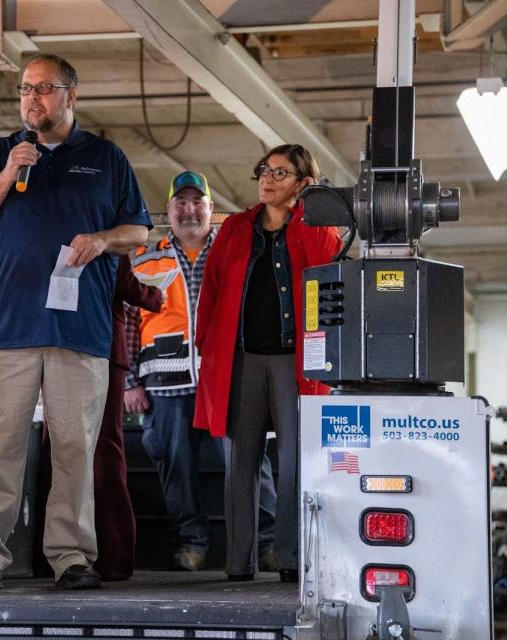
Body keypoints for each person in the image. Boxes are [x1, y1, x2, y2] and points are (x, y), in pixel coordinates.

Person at [0, 53, 151, 591]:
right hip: (9, 327)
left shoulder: (106, 158)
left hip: (78, 331)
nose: (32, 99)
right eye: (24, 89)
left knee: (73, 447)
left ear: (71, 95)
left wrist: (104, 239)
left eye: (43, 88)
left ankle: (71, 556)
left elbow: (139, 231)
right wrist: (9, 173)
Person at [193, 145, 341, 582]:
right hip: (243, 359)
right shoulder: (237, 227)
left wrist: (310, 210)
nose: (268, 178)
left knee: (294, 460)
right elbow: (213, 291)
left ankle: (291, 558)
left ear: (302, 182)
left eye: (281, 172)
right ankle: (239, 563)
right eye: (264, 170)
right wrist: (207, 347)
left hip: (296, 360)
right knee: (241, 461)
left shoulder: (318, 227)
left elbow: (325, 268)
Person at [124, 171, 278, 572]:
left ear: (212, 209)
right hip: (163, 385)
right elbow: (127, 320)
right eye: (181, 202)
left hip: (225, 378)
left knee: (248, 460)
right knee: (175, 468)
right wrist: (130, 382)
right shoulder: (144, 257)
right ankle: (191, 544)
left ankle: (266, 543)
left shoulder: (234, 253)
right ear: (169, 210)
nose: (189, 209)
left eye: (198, 202)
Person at [37, 254, 162, 581]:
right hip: (104, 346)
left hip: (58, 345)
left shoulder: (48, 230)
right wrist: (156, 295)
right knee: (105, 448)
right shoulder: (108, 229)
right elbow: (123, 283)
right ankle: (114, 556)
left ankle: (50, 556)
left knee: (58, 448)